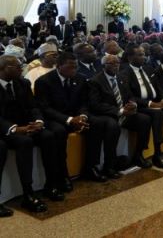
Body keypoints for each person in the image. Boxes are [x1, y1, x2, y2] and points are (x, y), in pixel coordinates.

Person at [0, 55, 65, 213]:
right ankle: (28, 193)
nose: (21, 68)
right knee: (25, 142)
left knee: (48, 136)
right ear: (4, 68)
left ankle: (51, 184)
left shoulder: (23, 83)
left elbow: (33, 106)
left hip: (25, 126)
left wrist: (38, 121)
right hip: (5, 129)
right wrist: (15, 128)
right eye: (17, 66)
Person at [34, 52, 110, 183]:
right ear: (59, 66)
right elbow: (45, 108)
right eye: (70, 67)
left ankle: (91, 166)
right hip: (56, 118)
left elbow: (84, 102)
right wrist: (69, 120)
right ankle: (63, 174)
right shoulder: (44, 81)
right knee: (59, 131)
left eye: (76, 67)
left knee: (97, 123)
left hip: (76, 115)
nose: (74, 70)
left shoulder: (80, 79)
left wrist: (82, 116)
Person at [87, 54, 153, 172]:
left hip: (125, 112)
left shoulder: (121, 77)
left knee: (145, 119)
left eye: (117, 63)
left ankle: (138, 154)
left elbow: (130, 95)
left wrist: (133, 104)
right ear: (103, 65)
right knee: (113, 126)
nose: (116, 66)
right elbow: (96, 105)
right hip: (109, 115)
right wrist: (120, 111)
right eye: (111, 63)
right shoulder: (95, 81)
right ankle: (109, 165)